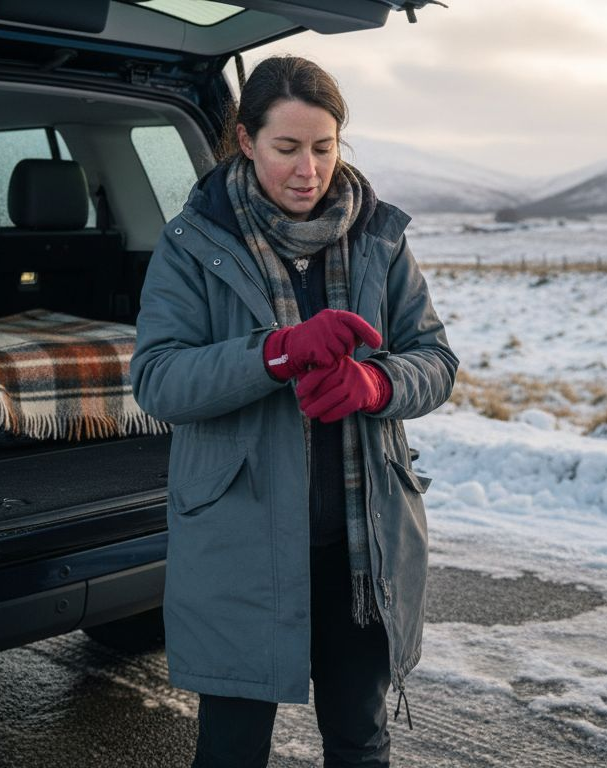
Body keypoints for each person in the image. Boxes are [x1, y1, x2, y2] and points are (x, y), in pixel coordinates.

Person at [130, 55, 457, 768]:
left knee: (360, 741)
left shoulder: (380, 238)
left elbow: (436, 362)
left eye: (323, 146)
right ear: (246, 141)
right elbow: (158, 379)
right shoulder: (194, 246)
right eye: (287, 148)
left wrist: (377, 387)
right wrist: (274, 354)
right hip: (240, 545)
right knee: (232, 750)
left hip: (359, 546)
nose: (308, 169)